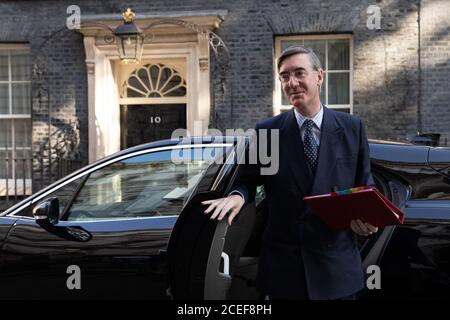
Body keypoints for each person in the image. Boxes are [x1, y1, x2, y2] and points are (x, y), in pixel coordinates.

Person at [202, 45, 378, 300]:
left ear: (319, 76)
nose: (292, 83)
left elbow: (365, 187)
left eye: (299, 73)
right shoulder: (268, 132)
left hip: (336, 270)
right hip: (285, 272)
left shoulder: (352, 128)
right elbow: (246, 182)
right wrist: (238, 196)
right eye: (285, 76)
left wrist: (368, 221)